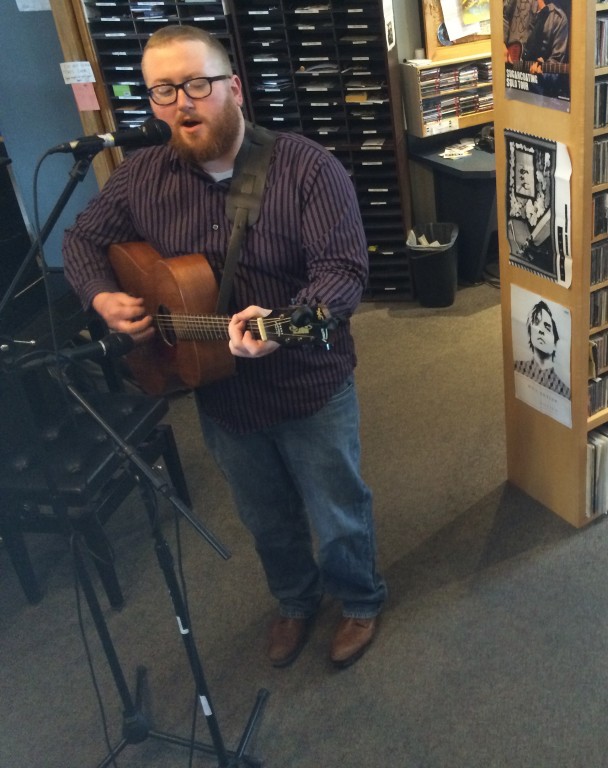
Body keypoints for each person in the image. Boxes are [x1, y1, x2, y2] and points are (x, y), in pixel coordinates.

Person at [62, 25, 387, 670]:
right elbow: (80, 241)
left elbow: (343, 274)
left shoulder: (307, 168)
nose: (183, 103)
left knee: (337, 508)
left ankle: (358, 599)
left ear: (233, 88)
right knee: (264, 515)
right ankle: (294, 601)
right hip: (215, 389)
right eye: (164, 90)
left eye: (198, 84)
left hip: (306, 383)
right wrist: (102, 297)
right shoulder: (140, 178)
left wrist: (282, 325)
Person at [514, 300, 570, 398]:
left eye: (547, 328)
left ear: (555, 341)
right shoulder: (516, 367)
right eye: (536, 323)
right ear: (530, 331)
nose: (541, 331)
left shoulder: (565, 391)